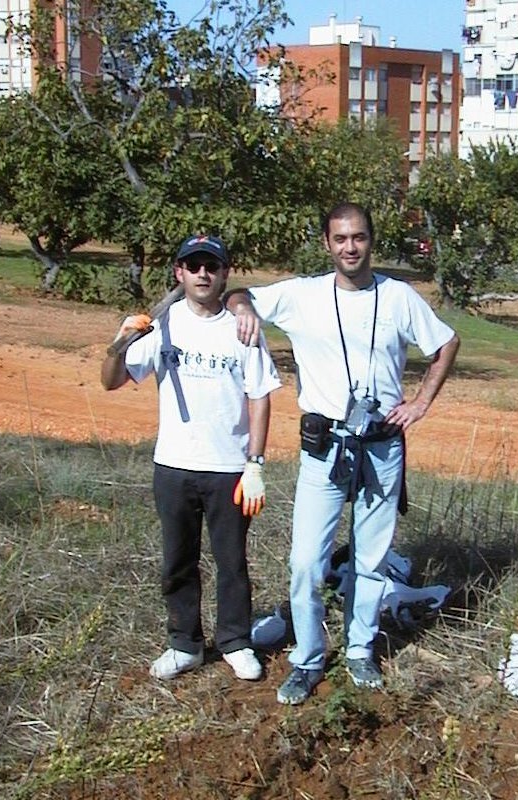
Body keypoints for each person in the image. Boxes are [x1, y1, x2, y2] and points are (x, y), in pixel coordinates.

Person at [225, 202, 460, 705]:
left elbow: (446, 343)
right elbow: (238, 294)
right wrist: (243, 308)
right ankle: (308, 659)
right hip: (324, 448)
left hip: (381, 448)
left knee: (370, 561)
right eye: (340, 239)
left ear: (371, 241)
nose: (350, 247)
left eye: (358, 238)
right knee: (307, 561)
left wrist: (420, 401)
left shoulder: (397, 297)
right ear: (327, 244)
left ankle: (360, 649)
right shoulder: (303, 295)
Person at [101, 234, 281, 682]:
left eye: (212, 266)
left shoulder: (243, 329)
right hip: (174, 466)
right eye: (193, 265)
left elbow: (259, 397)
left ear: (225, 273)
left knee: (232, 562)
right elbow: (110, 380)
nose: (203, 273)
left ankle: (236, 641)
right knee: (178, 561)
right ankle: (185, 644)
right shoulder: (162, 326)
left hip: (228, 469)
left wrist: (255, 463)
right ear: (179, 273)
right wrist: (120, 340)